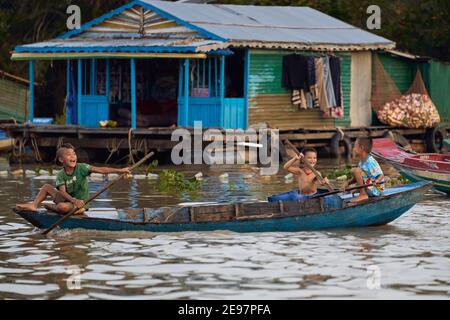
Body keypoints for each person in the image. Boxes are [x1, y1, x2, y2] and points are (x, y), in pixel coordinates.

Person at [16, 143, 131, 214]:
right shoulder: (61, 174)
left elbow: (101, 170)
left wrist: (120, 170)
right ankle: (34, 205)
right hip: (69, 200)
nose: (73, 156)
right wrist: (72, 200)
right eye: (68, 155)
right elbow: (62, 192)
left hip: (80, 204)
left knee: (61, 207)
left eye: (74, 154)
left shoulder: (82, 168)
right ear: (61, 160)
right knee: (46, 187)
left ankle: (56, 208)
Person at [342, 137, 385, 202]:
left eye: (355, 146)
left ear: (361, 148)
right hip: (370, 187)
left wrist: (377, 181)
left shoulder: (370, 161)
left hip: (378, 189)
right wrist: (348, 183)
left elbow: (381, 175)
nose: (353, 149)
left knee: (355, 170)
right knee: (355, 171)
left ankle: (363, 194)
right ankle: (363, 191)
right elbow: (357, 178)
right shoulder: (361, 162)